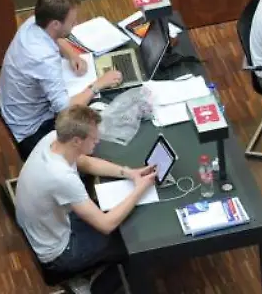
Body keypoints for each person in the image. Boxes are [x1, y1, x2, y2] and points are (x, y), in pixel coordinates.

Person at [15, 106, 156, 292]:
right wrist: (139, 190)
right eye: (93, 138)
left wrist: (128, 173)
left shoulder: (52, 140)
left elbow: (85, 162)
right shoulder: (61, 177)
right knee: (133, 245)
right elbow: (106, 225)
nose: (97, 140)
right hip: (60, 254)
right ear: (76, 141)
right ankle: (96, 287)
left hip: (49, 228)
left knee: (115, 216)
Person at [0, 0, 123, 160]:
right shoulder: (43, 59)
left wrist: (72, 54)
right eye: (72, 22)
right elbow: (65, 109)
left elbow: (55, 38)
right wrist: (97, 85)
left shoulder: (34, 22)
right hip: (32, 130)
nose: (75, 23)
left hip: (18, 110)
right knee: (95, 134)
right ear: (56, 24)